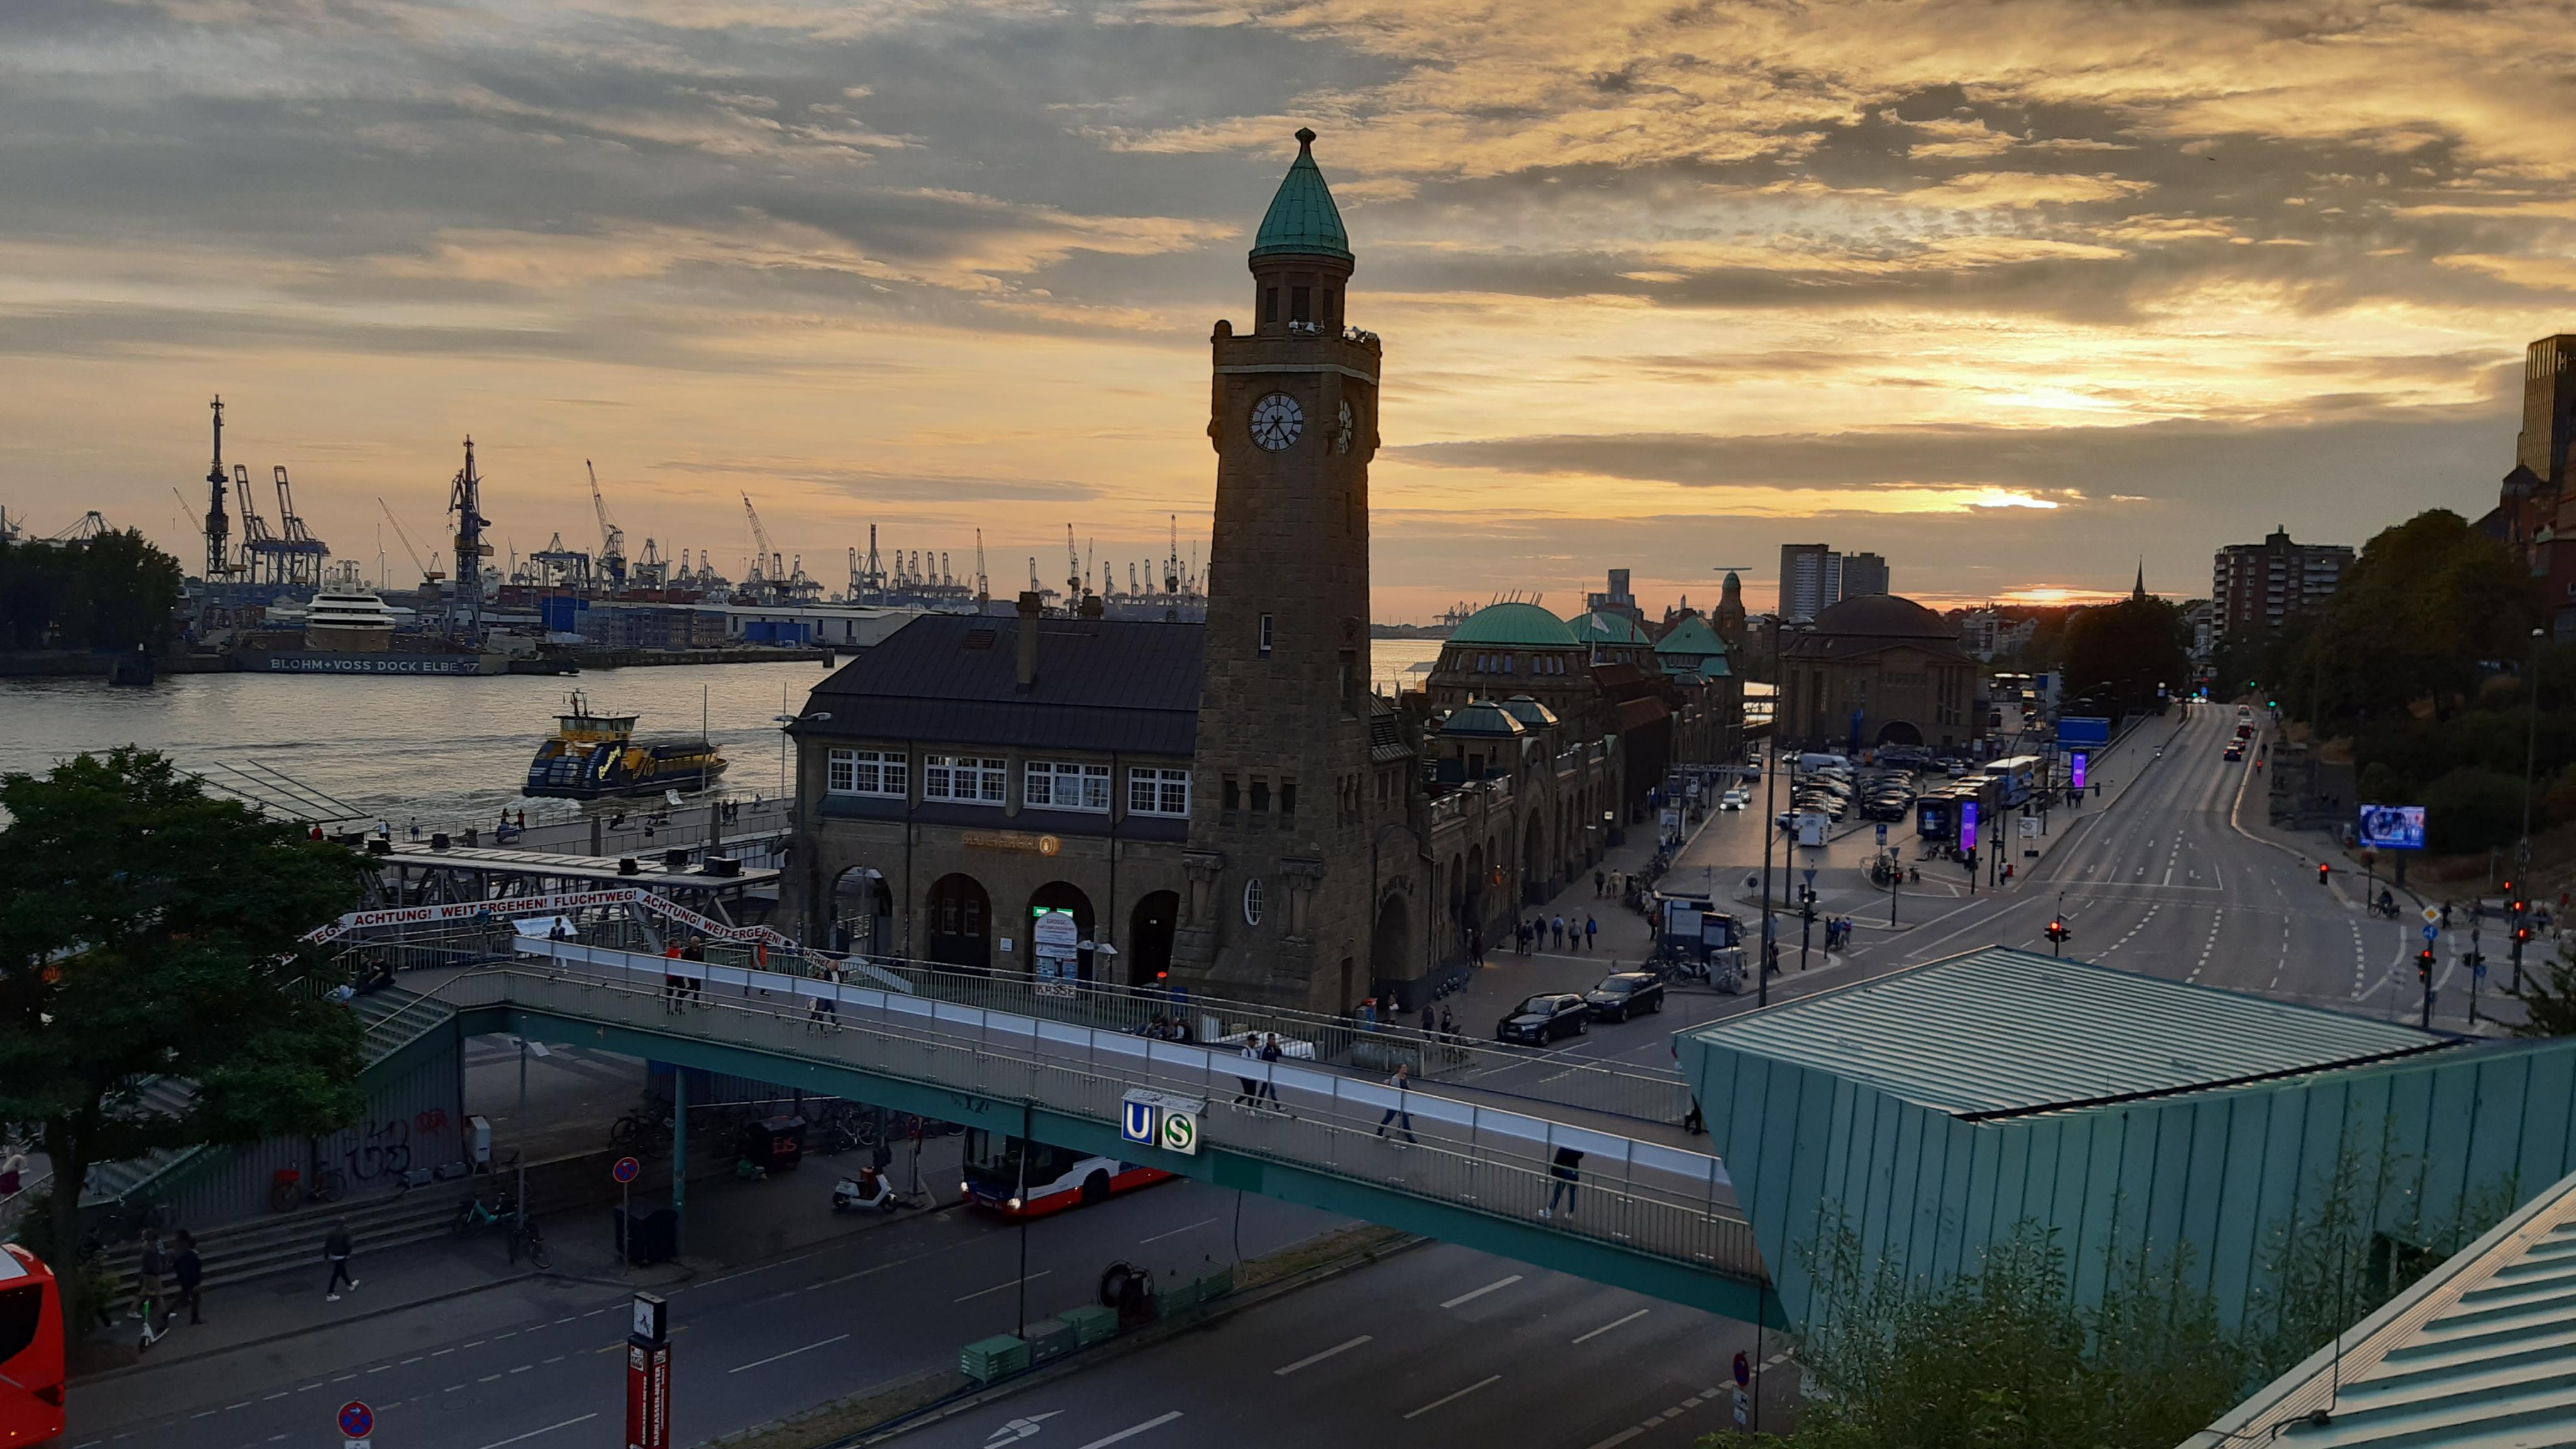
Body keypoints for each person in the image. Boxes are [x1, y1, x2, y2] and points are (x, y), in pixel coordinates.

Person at [1375, 1063, 1417, 1145]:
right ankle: (1380, 1131)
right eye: (1404, 1068)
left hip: (1402, 1102)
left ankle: (1409, 1137)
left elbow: (1406, 1088)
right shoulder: (1395, 1079)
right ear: (1399, 1069)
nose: (1406, 1069)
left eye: (1406, 1067)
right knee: (1389, 1117)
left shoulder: (1404, 1077)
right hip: (1395, 1102)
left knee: (1404, 1119)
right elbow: (1395, 1091)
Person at [170, 1230, 203, 1326]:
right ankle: (195, 1318)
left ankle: (167, 1313)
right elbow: (193, 1269)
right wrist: (195, 1281)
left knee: (184, 1297)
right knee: (194, 1298)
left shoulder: (184, 1252)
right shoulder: (191, 1255)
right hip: (191, 1281)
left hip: (186, 1279)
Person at [1542, 1145, 1584, 1218]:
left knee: (1558, 1191)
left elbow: (1560, 1155)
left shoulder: (1565, 1148)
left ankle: (1551, 1210)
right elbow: (1580, 1155)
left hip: (1565, 1169)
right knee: (1572, 1193)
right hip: (1574, 1170)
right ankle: (1570, 1212)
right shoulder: (1577, 1148)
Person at [323, 1219, 357, 1302]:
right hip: (342, 1255)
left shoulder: (331, 1232)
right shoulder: (346, 1233)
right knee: (336, 1274)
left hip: (334, 1254)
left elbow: (326, 1246)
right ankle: (330, 1294)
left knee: (342, 1271)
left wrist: (326, 1257)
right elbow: (349, 1245)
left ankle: (350, 1285)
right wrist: (348, 1254)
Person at [1257, 1035, 1284, 1108]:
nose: (1274, 1041)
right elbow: (1260, 1059)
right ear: (1269, 1040)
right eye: (1273, 1039)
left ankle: (1259, 1103)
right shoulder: (1265, 1049)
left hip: (1272, 1071)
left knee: (1267, 1089)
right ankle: (1277, 1106)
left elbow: (1280, 1054)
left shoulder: (1273, 1048)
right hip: (1266, 1070)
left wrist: (1277, 1048)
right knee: (1269, 1089)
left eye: (1275, 1039)